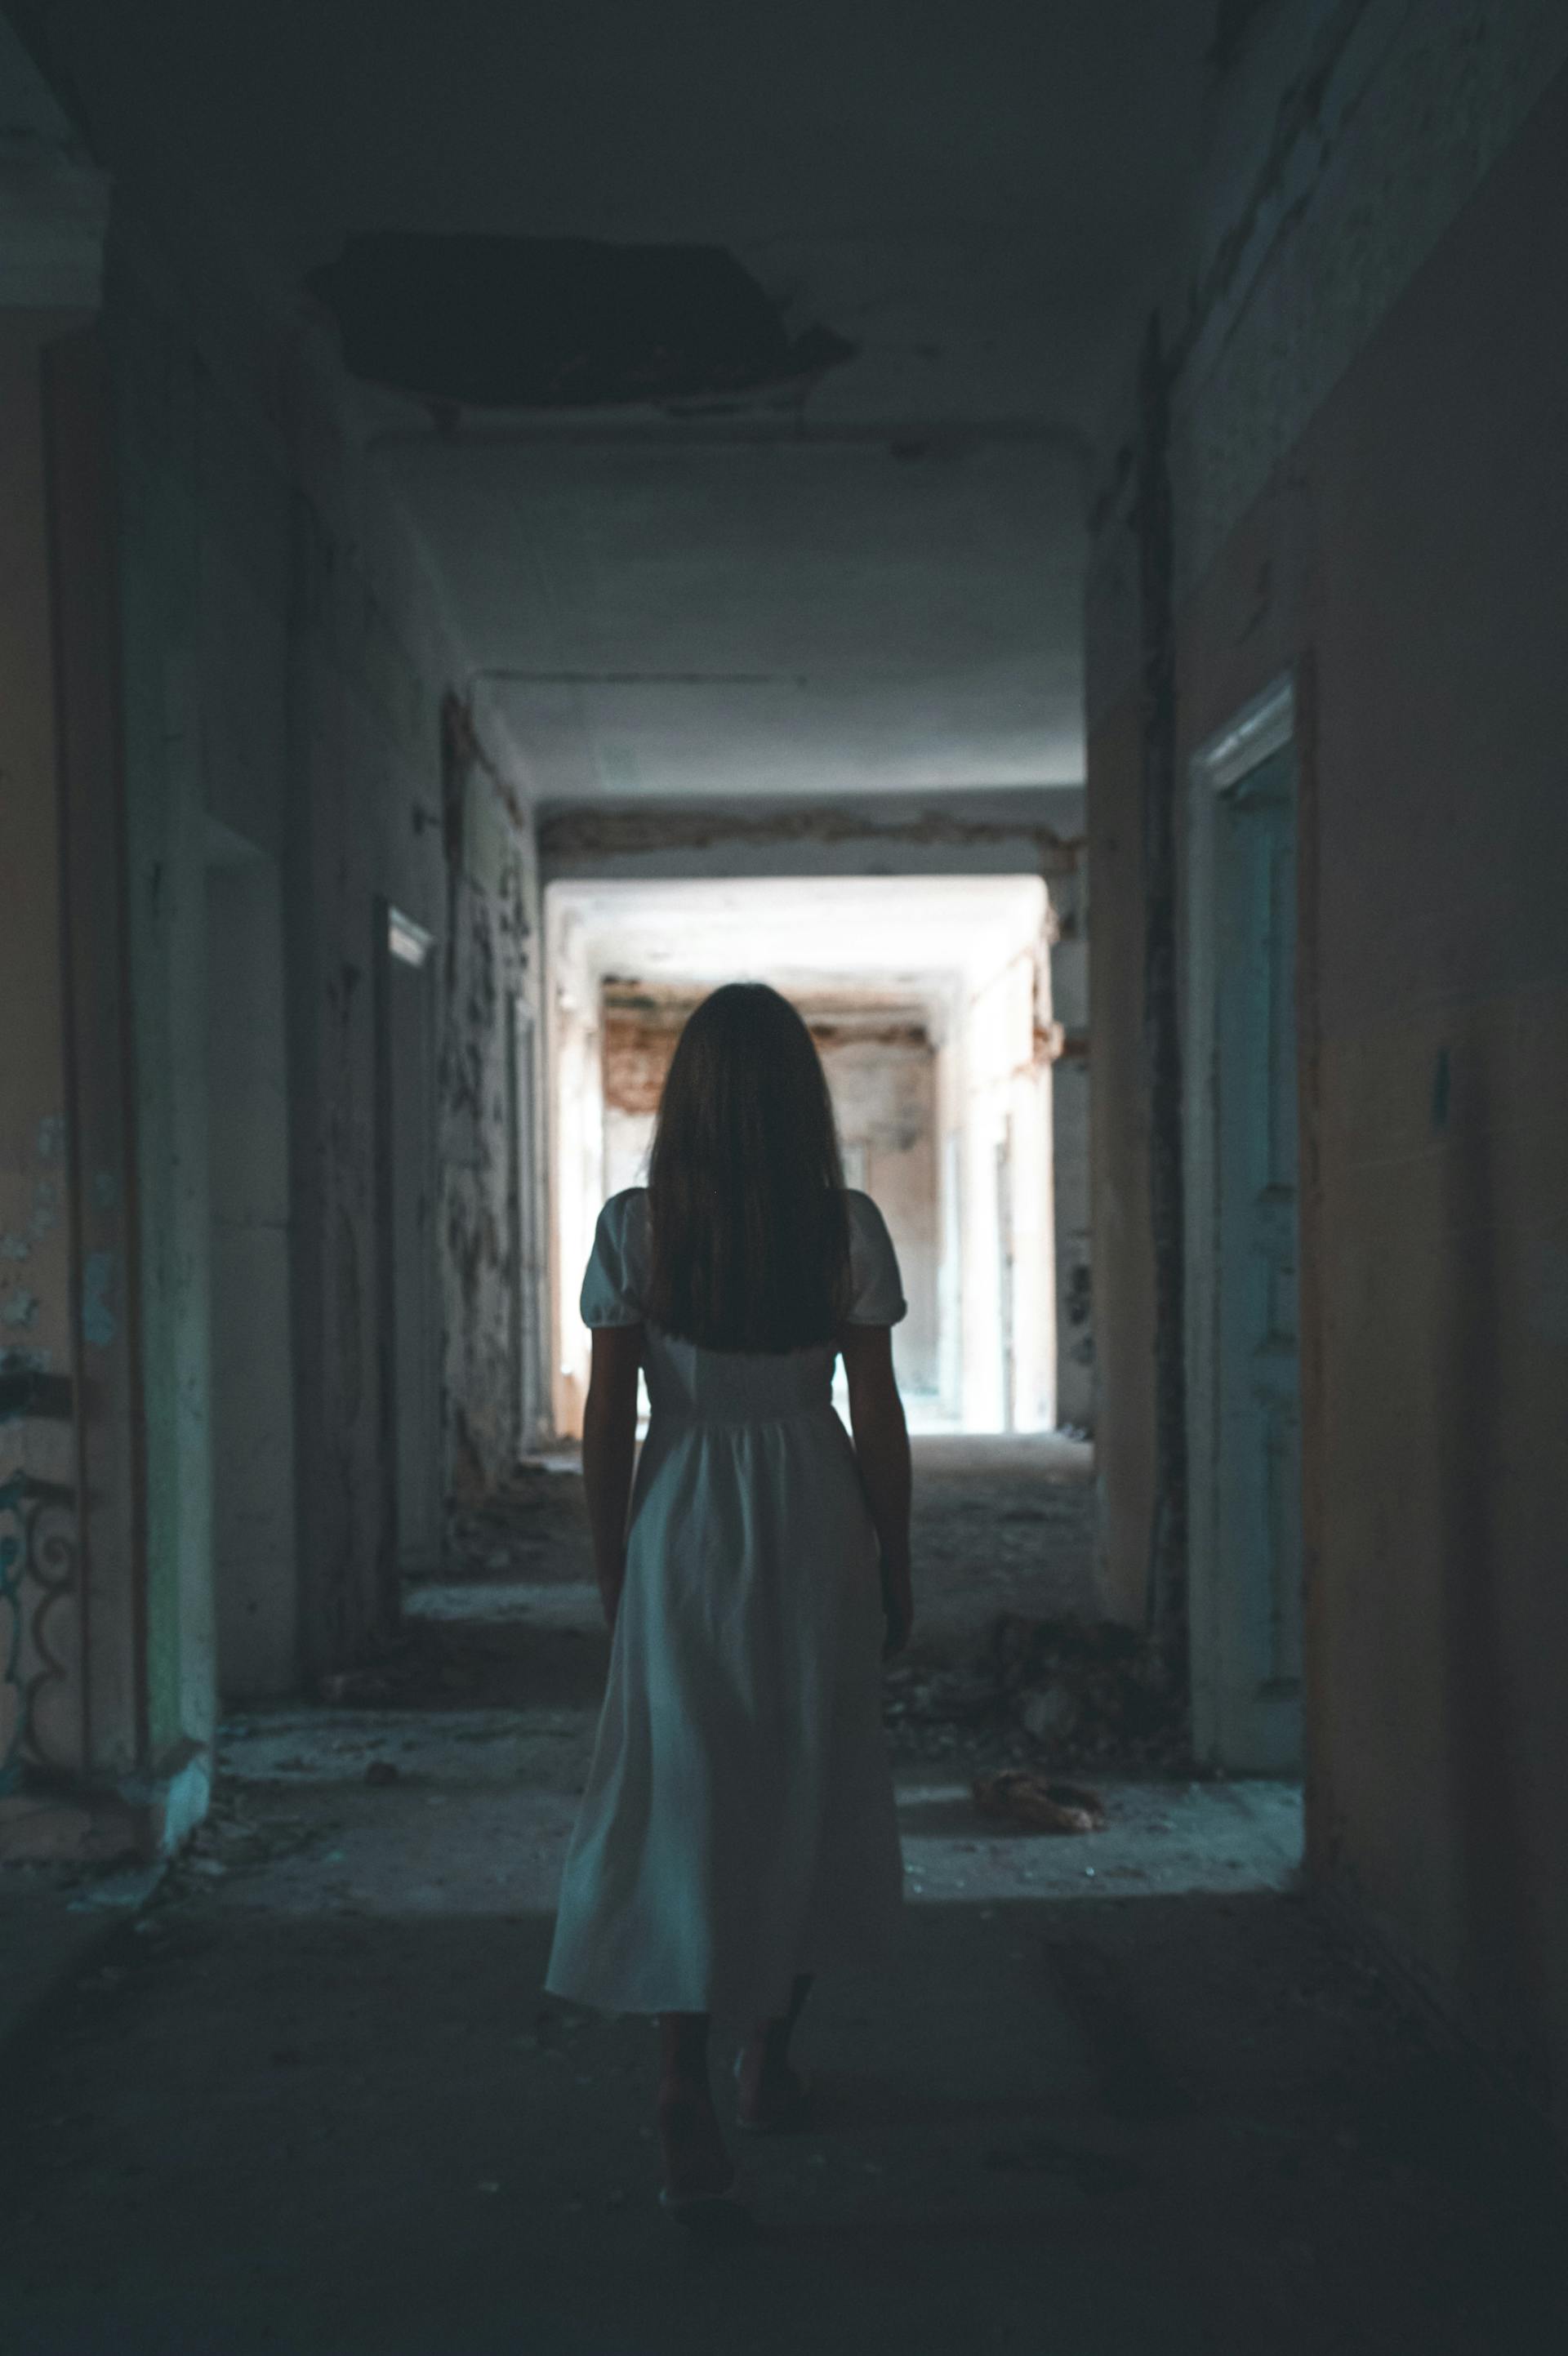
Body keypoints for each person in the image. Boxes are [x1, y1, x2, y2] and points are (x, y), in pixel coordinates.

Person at [543, 981, 914, 2225]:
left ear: (685, 1100)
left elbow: (607, 1419)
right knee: (805, 1777)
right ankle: (768, 2058)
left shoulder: (639, 1229)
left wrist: (613, 1565)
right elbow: (877, 1413)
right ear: (800, 1101)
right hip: (812, 1514)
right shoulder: (842, 1227)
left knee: (687, 1795)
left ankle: (679, 2078)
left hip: (684, 1515)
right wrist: (897, 1556)